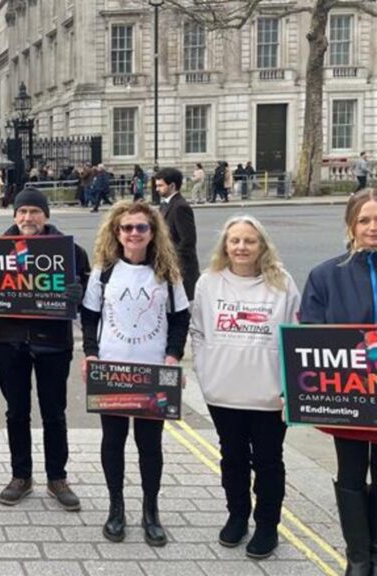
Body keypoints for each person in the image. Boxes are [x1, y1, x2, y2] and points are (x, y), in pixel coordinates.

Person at [81, 201, 190, 547]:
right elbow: (89, 316)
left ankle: (151, 511)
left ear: (152, 232)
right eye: (126, 228)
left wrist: (173, 357)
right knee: (113, 442)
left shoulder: (167, 273)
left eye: (141, 227)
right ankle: (116, 508)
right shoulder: (105, 271)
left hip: (152, 371)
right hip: (112, 370)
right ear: (117, 232)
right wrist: (90, 354)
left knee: (149, 445)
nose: (133, 234)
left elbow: (180, 319)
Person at [190, 215, 299, 560]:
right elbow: (199, 333)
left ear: (262, 245)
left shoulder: (281, 283)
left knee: (268, 461)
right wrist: (206, 374)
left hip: (268, 395)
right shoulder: (208, 283)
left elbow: (295, 336)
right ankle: (237, 515)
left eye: (249, 241)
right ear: (225, 245)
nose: (241, 247)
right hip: (224, 391)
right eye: (234, 240)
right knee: (232, 457)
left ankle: (267, 524)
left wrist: (289, 388)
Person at [0, 188, 90, 509]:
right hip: (11, 341)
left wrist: (80, 291)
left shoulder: (71, 251)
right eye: (22, 212)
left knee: (54, 413)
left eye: (35, 211)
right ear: (14, 216)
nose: (28, 218)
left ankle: (56, 477)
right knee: (16, 412)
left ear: (46, 216)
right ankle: (21, 475)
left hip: (53, 343)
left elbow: (91, 297)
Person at [299, 189, 377, 575]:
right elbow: (311, 334)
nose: (372, 227)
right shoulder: (325, 274)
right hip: (351, 395)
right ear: (351, 225)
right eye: (364, 220)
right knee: (350, 472)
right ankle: (358, 557)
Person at [156, 167, 200, 300]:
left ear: (172, 185)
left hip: (181, 268)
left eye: (160, 185)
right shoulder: (165, 205)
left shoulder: (180, 207)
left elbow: (187, 240)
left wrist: (173, 263)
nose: (157, 189)